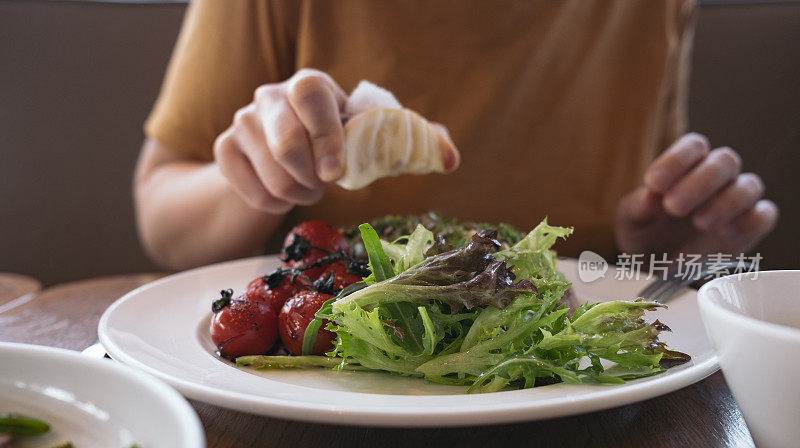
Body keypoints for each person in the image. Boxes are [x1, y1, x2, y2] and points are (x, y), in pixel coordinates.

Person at [134, 0, 778, 271]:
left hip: (583, 407)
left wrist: (674, 248)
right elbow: (162, 220)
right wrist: (260, 176)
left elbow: (653, 245)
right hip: (324, 400)